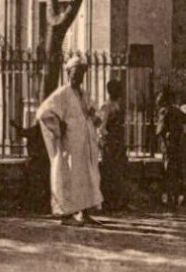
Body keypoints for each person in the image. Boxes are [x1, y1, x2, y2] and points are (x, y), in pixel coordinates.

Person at [36, 53, 102, 226]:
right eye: (75, 72)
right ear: (68, 73)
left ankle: (84, 213)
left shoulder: (83, 94)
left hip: (85, 145)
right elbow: (43, 112)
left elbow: (93, 112)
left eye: (81, 73)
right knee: (68, 177)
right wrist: (59, 127)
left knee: (86, 178)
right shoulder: (62, 93)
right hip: (70, 145)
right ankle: (66, 215)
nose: (79, 76)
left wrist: (95, 117)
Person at [98, 79, 129, 212]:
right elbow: (101, 127)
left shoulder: (117, 105)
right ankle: (108, 201)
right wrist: (108, 141)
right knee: (109, 172)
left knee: (119, 172)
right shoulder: (106, 106)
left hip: (118, 144)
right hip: (110, 144)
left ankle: (118, 201)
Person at [10, 118, 51, 212]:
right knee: (45, 183)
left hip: (36, 160)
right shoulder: (47, 130)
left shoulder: (37, 129)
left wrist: (15, 125)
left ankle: (28, 205)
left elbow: (24, 132)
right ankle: (44, 205)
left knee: (30, 183)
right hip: (46, 160)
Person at [156, 86, 185, 209]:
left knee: (168, 172)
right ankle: (175, 198)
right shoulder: (178, 111)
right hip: (178, 145)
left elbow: (160, 130)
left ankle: (169, 199)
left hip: (168, 146)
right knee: (177, 171)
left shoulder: (164, 111)